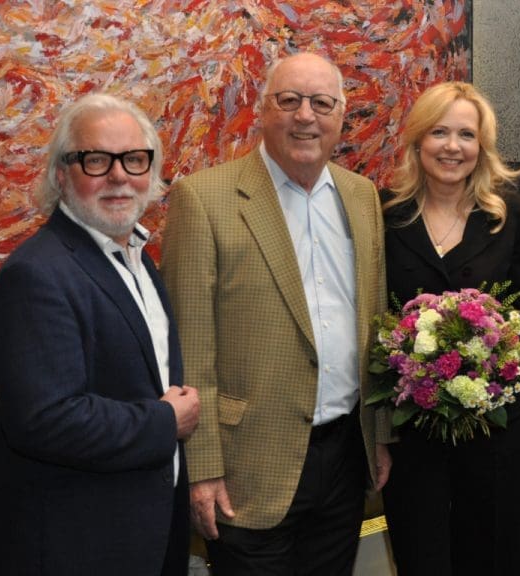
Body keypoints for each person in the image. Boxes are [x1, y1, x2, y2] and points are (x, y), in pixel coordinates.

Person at [160, 52, 391, 575]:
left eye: (321, 103)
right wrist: (202, 468)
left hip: (344, 455)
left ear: (341, 116)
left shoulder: (361, 197)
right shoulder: (204, 199)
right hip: (248, 466)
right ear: (263, 110)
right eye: (289, 100)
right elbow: (190, 350)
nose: (305, 115)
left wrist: (378, 437)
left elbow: (373, 325)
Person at [0, 93, 200, 575]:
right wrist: (165, 422)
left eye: (134, 159)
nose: (119, 176)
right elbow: (46, 420)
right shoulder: (35, 274)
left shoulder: (138, 259)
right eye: (96, 160)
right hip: (71, 548)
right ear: (61, 175)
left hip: (144, 536)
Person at [379, 81, 520, 576]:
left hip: (494, 429)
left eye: (466, 135)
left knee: (491, 556)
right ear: (417, 141)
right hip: (412, 429)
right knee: (420, 555)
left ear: (482, 146)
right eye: (439, 132)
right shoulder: (385, 213)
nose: (452, 147)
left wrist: (519, 402)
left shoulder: (511, 216)